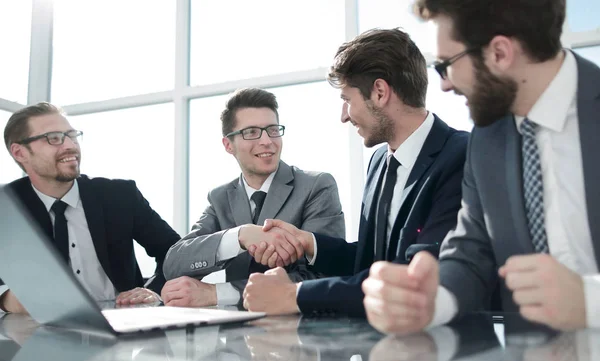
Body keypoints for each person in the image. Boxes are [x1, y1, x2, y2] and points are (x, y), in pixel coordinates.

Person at [362, 0, 600, 334]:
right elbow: (472, 250)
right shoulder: (485, 141)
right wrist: (432, 301)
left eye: (446, 65)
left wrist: (589, 301)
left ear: (500, 53)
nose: (444, 84)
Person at [242, 28, 468, 316]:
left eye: (347, 99)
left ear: (380, 92)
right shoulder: (378, 162)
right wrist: (308, 243)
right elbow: (373, 263)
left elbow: (413, 276)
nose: (344, 115)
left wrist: (295, 295)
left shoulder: (462, 156)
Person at [161, 88, 345, 307]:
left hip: (299, 331)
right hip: (234, 335)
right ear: (228, 145)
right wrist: (240, 236)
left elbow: (324, 276)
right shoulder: (220, 197)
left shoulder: (316, 186)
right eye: (251, 132)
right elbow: (174, 263)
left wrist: (217, 293)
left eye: (273, 130)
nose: (267, 141)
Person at [0, 102, 180, 313]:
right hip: (36, 332)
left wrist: (154, 291)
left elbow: (175, 251)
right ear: (20, 153)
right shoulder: (6, 208)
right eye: (54, 138)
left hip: (121, 326)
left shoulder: (119, 195)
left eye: (72, 135)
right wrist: (6, 299)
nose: (70, 146)